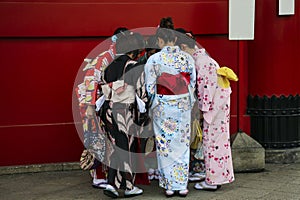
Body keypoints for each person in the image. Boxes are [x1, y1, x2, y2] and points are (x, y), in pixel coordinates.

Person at [175, 29, 236, 191]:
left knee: (213, 142)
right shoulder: (203, 60)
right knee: (216, 141)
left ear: (183, 46)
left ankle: (213, 180)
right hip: (218, 105)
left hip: (215, 107)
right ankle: (215, 176)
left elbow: (205, 90)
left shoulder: (203, 62)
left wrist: (200, 110)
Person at [144, 28, 196, 197]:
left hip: (163, 105)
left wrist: (152, 104)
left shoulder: (154, 59)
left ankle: (169, 185)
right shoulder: (187, 58)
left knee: (165, 144)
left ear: (160, 40)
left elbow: (150, 86)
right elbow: (192, 83)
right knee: (182, 144)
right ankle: (182, 185)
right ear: (174, 39)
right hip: (182, 104)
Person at [76, 28, 129, 189]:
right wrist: (91, 105)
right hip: (92, 101)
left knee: (105, 137)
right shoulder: (104, 58)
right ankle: (97, 174)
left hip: (101, 99)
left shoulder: (113, 56)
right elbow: (90, 81)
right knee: (97, 136)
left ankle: (103, 173)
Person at [101, 31, 148, 198]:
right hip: (124, 110)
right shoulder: (134, 66)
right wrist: (144, 113)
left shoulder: (109, 66)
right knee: (126, 148)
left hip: (108, 108)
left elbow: (103, 85)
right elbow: (142, 91)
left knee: (115, 147)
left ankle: (111, 183)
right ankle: (128, 185)